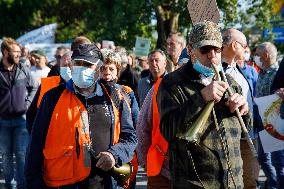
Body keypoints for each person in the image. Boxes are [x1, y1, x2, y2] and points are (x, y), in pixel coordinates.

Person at [25, 43, 137, 189]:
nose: (83, 68)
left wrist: (114, 155)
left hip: (105, 182)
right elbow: (36, 143)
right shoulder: (52, 97)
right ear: (70, 66)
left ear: (98, 68)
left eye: (88, 64)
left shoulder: (115, 96)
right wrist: (34, 184)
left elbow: (129, 137)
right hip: (64, 184)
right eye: (78, 63)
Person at [157, 21, 251, 188]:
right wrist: (201, 97)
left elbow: (246, 130)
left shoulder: (231, 83)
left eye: (217, 49)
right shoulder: (172, 83)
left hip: (233, 182)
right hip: (194, 184)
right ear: (191, 50)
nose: (212, 55)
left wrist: (244, 110)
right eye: (205, 49)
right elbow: (167, 130)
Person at [26, 36, 92, 134]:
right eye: (66, 65)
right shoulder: (50, 83)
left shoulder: (92, 85)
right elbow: (32, 116)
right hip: (52, 144)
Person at [221, 28, 259, 189]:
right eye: (244, 45)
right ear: (235, 45)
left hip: (249, 137)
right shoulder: (216, 72)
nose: (246, 49)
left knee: (250, 180)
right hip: (231, 141)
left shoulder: (238, 70)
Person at [99, 49, 139, 188]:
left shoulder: (126, 93)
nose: (107, 72)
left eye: (111, 68)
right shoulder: (90, 93)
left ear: (118, 71)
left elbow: (135, 127)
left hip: (121, 156)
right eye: (103, 68)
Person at [0, 37, 37, 189]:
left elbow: (34, 88)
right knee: (6, 155)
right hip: (2, 121)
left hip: (21, 119)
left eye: (19, 52)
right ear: (5, 52)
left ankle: (22, 185)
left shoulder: (23, 70)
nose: (18, 55)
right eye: (15, 52)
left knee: (21, 154)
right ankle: (9, 185)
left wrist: (27, 104)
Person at [136, 57, 170, 188]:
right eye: (151, 61)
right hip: (158, 167)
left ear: (166, 63)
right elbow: (141, 126)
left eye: (157, 60)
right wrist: (144, 163)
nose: (154, 64)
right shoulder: (147, 85)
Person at [254, 42, 283, 189]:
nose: (256, 57)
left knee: (279, 160)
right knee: (263, 158)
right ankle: (273, 184)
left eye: (258, 54)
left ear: (266, 55)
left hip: (275, 121)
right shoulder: (261, 72)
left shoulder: (278, 72)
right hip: (261, 119)